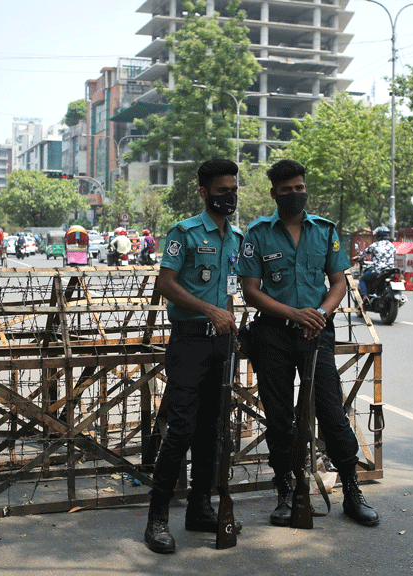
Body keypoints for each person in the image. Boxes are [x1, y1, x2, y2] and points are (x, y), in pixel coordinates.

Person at [237, 159, 379, 528]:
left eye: (300, 188)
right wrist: (292, 313)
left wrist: (320, 314)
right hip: (273, 335)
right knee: (280, 417)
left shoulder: (324, 230)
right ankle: (286, 490)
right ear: (275, 194)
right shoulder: (258, 233)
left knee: (331, 412)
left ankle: (351, 490)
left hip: (317, 332)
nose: (295, 194)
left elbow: (338, 282)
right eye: (287, 190)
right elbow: (250, 291)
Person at [144, 159, 245, 554]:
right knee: (182, 429)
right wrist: (209, 309)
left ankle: (201, 508)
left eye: (233, 189)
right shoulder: (183, 232)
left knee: (212, 429)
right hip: (189, 341)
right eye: (221, 190)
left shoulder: (237, 238)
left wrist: (231, 316)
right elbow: (165, 284)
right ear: (203, 192)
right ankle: (157, 518)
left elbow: (235, 287)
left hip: (222, 343)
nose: (229, 196)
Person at [353, 225, 397, 303]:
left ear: (377, 236)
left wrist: (358, 257)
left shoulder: (375, 245)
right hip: (390, 270)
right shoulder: (392, 246)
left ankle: (365, 297)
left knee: (362, 279)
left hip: (378, 270)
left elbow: (363, 254)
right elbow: (395, 257)